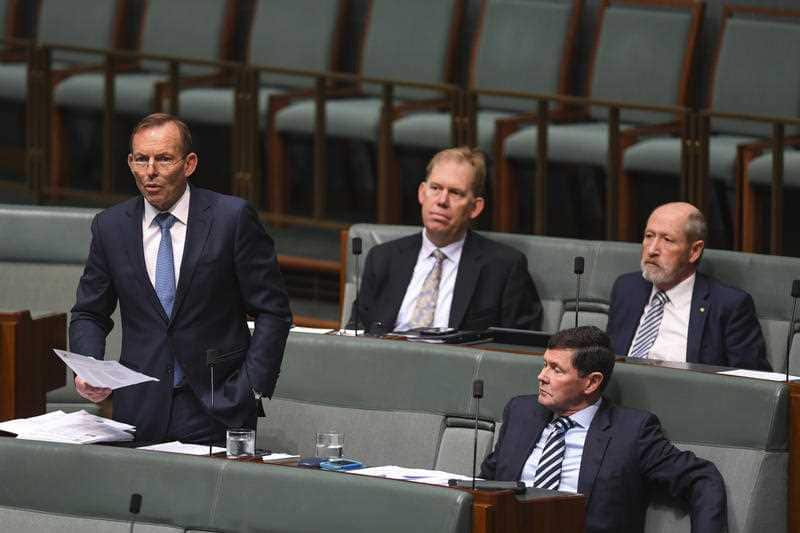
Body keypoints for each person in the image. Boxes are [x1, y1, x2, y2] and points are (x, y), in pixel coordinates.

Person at [69, 113, 292, 444]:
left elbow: (273, 311)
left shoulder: (231, 219)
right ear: (130, 162)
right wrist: (89, 366)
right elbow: (90, 312)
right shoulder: (110, 227)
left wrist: (250, 387)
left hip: (216, 405)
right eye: (141, 160)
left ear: (189, 164)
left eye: (163, 159)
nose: (150, 172)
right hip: (138, 406)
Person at [481, 326, 726, 533]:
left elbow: (702, 479)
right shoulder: (521, 412)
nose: (541, 376)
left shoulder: (631, 432)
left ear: (591, 382)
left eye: (556, 370)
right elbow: (488, 481)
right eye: (544, 365)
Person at [351, 147, 541, 333]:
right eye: (435, 188)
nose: (442, 200)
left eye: (455, 193)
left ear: (475, 208)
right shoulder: (383, 257)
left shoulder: (503, 267)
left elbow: (518, 347)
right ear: (422, 193)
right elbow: (356, 330)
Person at [606, 202, 770, 370]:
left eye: (667, 240)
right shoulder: (626, 288)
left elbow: (754, 381)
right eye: (649, 236)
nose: (652, 250)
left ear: (694, 251)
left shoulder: (728, 306)